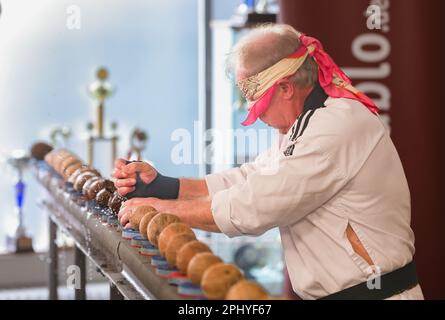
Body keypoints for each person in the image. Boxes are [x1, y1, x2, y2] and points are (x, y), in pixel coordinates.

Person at [114, 24, 423, 300]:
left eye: (255, 100)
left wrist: (158, 209)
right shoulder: (306, 122)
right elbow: (252, 178)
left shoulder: (335, 126)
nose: (255, 114)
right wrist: (163, 187)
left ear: (286, 88)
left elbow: (255, 205)